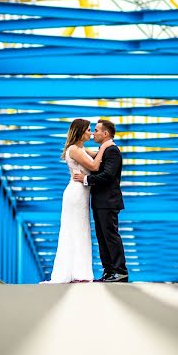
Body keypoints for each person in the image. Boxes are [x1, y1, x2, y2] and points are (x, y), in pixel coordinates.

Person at [44, 119, 113, 283]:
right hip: (75, 194)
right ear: (80, 131)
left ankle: (78, 271)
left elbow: (97, 157)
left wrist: (105, 147)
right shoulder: (74, 149)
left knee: (80, 229)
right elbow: (95, 166)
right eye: (89, 130)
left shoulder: (81, 149)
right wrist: (105, 145)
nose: (91, 133)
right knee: (74, 229)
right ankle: (76, 271)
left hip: (82, 195)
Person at [74, 119, 128, 283]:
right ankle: (109, 271)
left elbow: (108, 175)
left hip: (108, 201)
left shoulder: (112, 150)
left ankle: (120, 271)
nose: (93, 133)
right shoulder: (104, 149)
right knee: (102, 237)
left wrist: (86, 179)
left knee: (110, 236)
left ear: (105, 134)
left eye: (96, 130)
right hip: (100, 202)